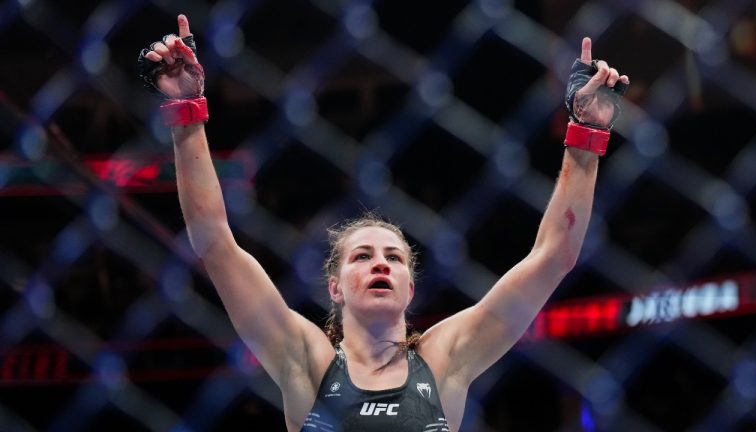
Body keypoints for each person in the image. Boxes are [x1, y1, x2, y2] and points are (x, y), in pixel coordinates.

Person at [138, 14, 629, 432]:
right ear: (334, 287)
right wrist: (186, 114)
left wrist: (585, 135)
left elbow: (554, 256)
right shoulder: (304, 359)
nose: (381, 264)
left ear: (410, 288)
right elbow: (215, 243)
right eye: (363, 256)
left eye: (394, 257)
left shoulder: (445, 359)